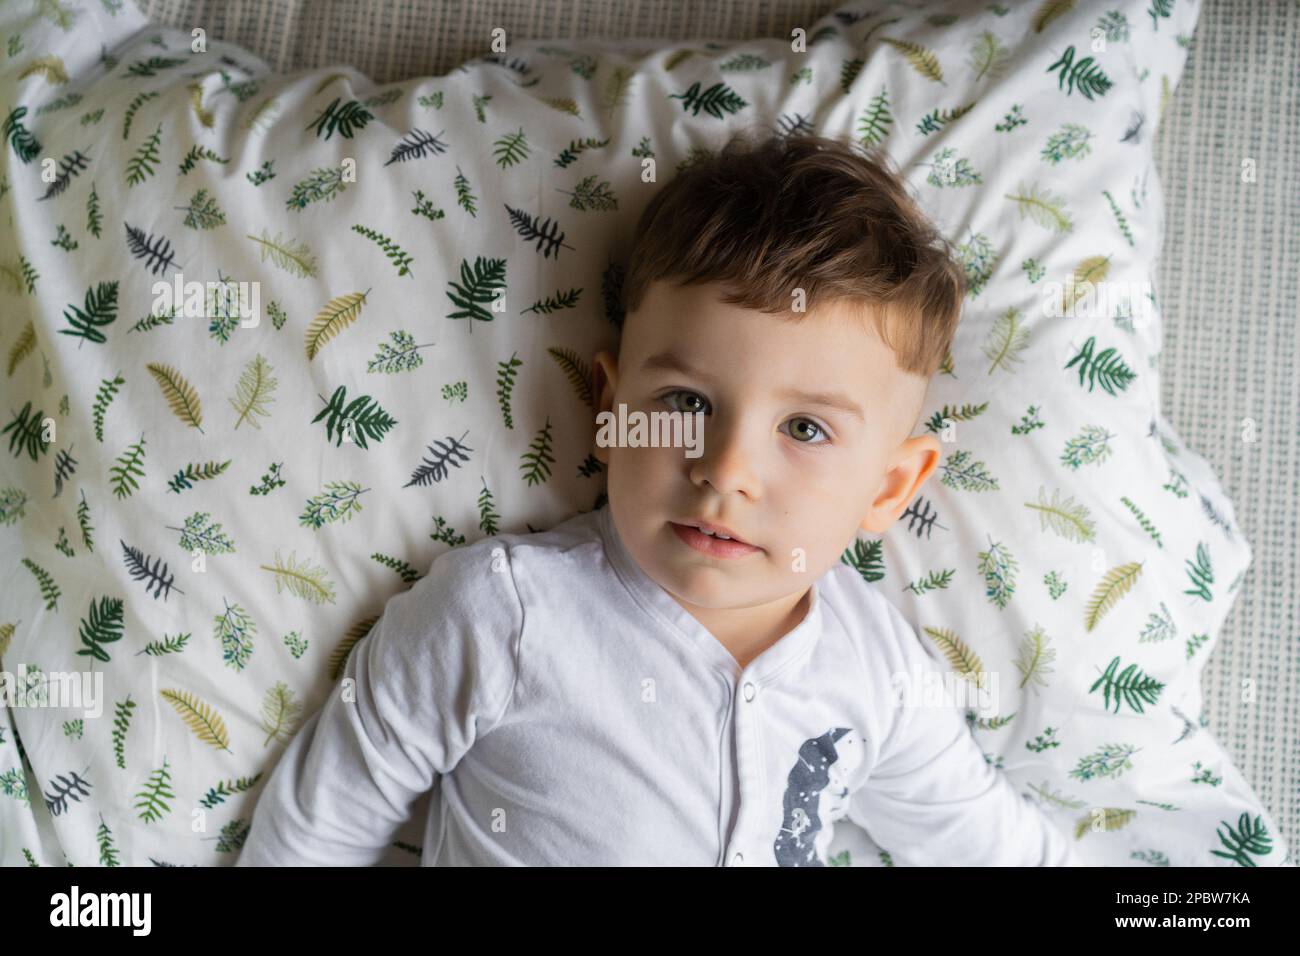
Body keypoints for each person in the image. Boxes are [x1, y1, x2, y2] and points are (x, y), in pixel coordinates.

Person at [237, 131, 1082, 867]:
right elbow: (317, 828)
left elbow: (994, 847)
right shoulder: (504, 616)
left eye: (807, 430)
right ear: (609, 412)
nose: (725, 471)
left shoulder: (879, 673)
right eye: (685, 405)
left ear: (890, 486)